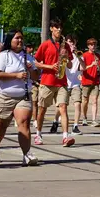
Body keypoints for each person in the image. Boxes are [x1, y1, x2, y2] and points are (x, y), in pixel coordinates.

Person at [0, 29, 39, 166]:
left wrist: (31, 69)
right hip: (4, 96)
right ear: (10, 40)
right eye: (17, 38)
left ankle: (26, 154)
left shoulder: (27, 56)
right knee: (1, 125)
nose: (20, 41)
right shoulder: (4, 55)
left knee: (24, 122)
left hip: (23, 95)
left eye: (21, 38)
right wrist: (16, 75)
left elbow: (35, 77)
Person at [34, 18, 75, 147]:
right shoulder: (45, 44)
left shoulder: (65, 45)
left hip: (61, 81)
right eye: (56, 27)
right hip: (47, 81)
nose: (59, 29)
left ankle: (65, 136)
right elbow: (36, 62)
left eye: (60, 27)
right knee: (42, 109)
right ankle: (38, 134)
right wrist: (50, 67)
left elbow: (69, 65)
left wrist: (67, 57)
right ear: (51, 29)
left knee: (63, 107)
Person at [64, 35, 85, 135]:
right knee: (62, 106)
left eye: (73, 42)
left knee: (78, 104)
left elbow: (83, 68)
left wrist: (78, 56)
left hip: (75, 83)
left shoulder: (79, 55)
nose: (71, 43)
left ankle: (75, 126)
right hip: (64, 83)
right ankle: (55, 121)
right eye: (69, 41)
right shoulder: (63, 53)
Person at [81, 38, 100, 127]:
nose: (93, 46)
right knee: (85, 101)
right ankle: (84, 118)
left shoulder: (98, 56)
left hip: (95, 81)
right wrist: (91, 65)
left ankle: (94, 119)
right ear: (88, 46)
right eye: (91, 45)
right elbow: (82, 68)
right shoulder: (84, 55)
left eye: (94, 44)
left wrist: (98, 65)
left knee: (94, 101)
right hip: (86, 81)